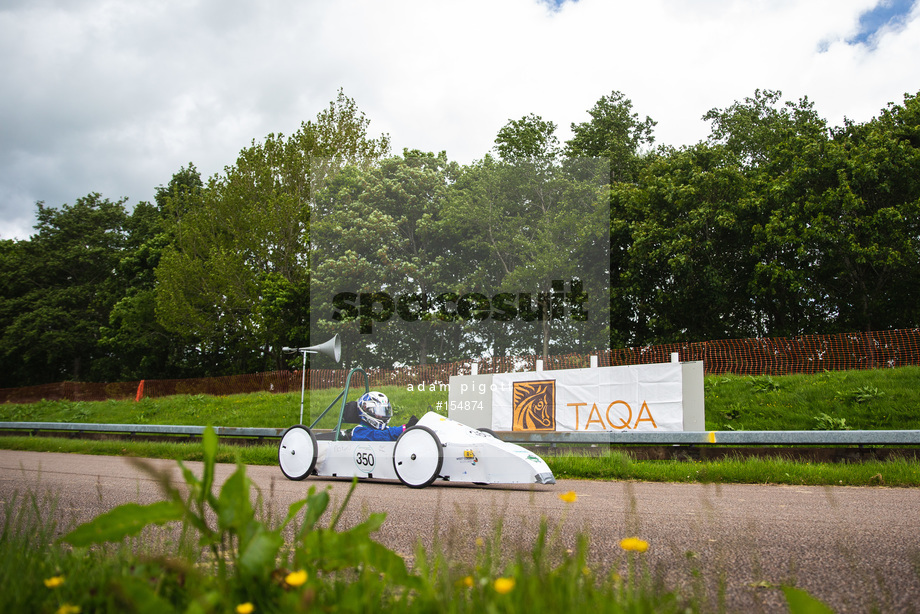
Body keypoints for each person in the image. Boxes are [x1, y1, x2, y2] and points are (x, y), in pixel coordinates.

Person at [350, 391, 417, 441]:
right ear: (368, 410)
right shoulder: (359, 431)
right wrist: (404, 428)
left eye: (384, 411)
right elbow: (380, 436)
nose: (382, 416)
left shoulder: (384, 429)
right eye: (379, 411)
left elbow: (390, 431)